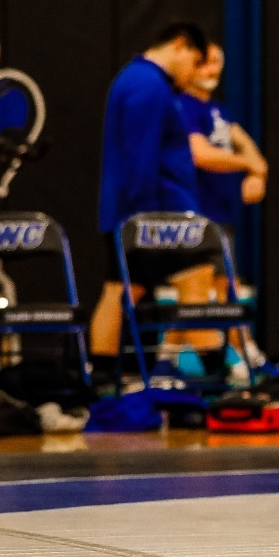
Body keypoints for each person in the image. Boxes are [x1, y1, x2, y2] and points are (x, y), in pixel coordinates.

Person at [90, 22, 211, 366]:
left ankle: (101, 379)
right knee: (196, 284)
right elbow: (139, 157)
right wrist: (146, 223)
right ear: (180, 46)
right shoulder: (148, 86)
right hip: (159, 217)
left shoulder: (140, 81)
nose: (193, 75)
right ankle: (219, 378)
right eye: (195, 63)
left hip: (139, 213)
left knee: (120, 290)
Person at [173, 44, 269, 357]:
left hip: (221, 211)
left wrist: (258, 173)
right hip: (193, 213)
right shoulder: (183, 106)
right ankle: (240, 354)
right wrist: (249, 165)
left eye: (216, 62)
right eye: (203, 63)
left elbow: (247, 146)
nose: (211, 70)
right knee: (203, 287)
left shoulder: (218, 110)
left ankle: (169, 358)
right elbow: (201, 155)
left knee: (224, 284)